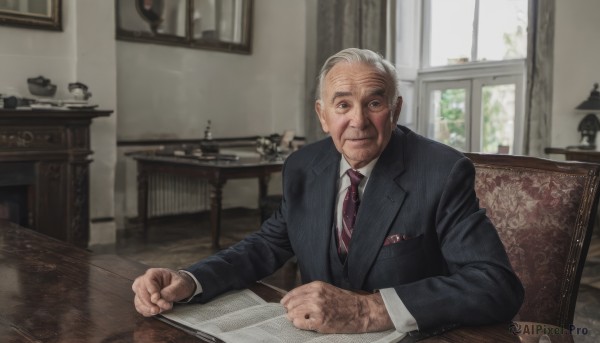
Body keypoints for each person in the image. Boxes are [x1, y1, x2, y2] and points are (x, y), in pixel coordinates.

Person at [132, 48, 524, 336]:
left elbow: (495, 285)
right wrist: (189, 279)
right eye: (342, 105)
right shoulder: (303, 167)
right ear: (322, 115)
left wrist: (368, 310)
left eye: (373, 103)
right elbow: (264, 247)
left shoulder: (441, 171)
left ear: (396, 109)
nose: (358, 121)